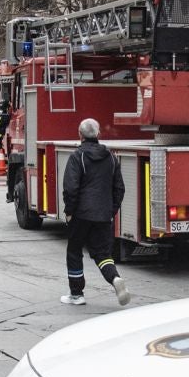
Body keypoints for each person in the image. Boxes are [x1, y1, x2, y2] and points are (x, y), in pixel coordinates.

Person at [60, 118, 131, 307]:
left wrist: (69, 211)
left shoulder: (78, 157)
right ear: (98, 134)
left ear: (80, 134)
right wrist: (111, 210)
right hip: (103, 215)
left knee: (74, 251)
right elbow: (120, 189)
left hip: (81, 214)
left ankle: (77, 294)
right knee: (102, 253)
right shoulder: (111, 158)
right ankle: (115, 278)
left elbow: (71, 188)